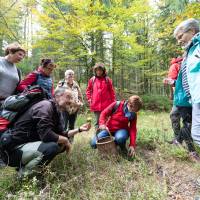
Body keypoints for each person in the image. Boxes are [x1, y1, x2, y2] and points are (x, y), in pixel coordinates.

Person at [1, 88, 91, 178]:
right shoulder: (45, 106)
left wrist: (79, 129)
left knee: (60, 144)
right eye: (68, 97)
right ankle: (23, 176)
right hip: (13, 150)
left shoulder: (56, 112)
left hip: (26, 146)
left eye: (72, 98)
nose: (71, 100)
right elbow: (46, 135)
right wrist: (66, 140)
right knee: (52, 147)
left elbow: (61, 134)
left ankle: (34, 169)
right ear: (57, 96)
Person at [174, 19, 200, 146]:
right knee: (194, 131)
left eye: (180, 36)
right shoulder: (189, 52)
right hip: (192, 98)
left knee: (195, 132)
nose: (179, 41)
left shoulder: (198, 47)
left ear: (192, 31)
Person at [0, 42, 26, 167]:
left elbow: (17, 88)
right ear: (11, 51)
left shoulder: (17, 70)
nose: (21, 57)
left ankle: (3, 158)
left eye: (23, 56)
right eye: (20, 54)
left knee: (3, 130)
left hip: (7, 105)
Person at [86, 63, 116, 131]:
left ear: (103, 71)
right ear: (95, 71)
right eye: (97, 70)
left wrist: (113, 103)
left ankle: (105, 137)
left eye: (100, 70)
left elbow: (112, 92)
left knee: (106, 122)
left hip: (107, 105)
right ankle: (97, 138)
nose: (98, 72)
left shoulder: (107, 80)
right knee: (97, 122)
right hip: (96, 105)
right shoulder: (92, 80)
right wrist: (89, 99)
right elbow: (88, 90)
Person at [56, 69, 83, 142]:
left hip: (74, 109)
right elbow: (56, 96)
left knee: (72, 125)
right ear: (65, 76)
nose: (70, 76)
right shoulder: (61, 84)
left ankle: (70, 141)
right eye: (69, 74)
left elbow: (80, 96)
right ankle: (63, 141)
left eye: (72, 74)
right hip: (64, 109)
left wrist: (80, 103)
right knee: (63, 126)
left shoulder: (75, 84)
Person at [163, 57, 183, 144]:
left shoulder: (175, 66)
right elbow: (173, 82)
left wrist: (175, 96)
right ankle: (178, 139)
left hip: (183, 96)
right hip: (180, 96)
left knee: (188, 119)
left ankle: (181, 139)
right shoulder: (176, 65)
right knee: (174, 115)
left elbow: (173, 82)